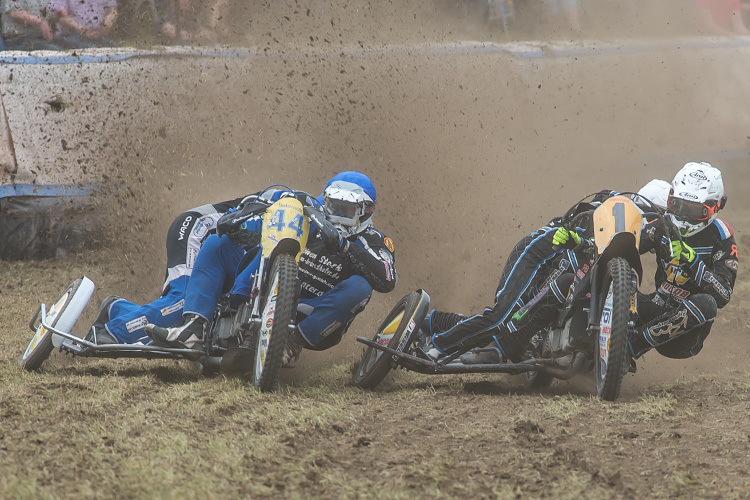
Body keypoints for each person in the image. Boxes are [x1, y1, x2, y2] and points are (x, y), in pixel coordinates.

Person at [145, 171, 397, 365]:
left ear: (365, 212)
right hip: (267, 282)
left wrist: (344, 247)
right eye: (333, 206)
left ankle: (290, 344)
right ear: (326, 199)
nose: (337, 214)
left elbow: (387, 279)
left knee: (361, 287)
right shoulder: (308, 211)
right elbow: (262, 225)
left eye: (347, 210)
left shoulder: (376, 241)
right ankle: (194, 329)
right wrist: (238, 222)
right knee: (218, 243)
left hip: (313, 312)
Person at [425, 191, 617, 363]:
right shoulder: (591, 215)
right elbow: (569, 230)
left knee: (509, 323)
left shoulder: (613, 249)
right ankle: (437, 347)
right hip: (535, 254)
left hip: (549, 270)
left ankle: (432, 322)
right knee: (502, 319)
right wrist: (583, 242)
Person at [86, 196, 245, 345]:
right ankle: (110, 333)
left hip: (222, 245)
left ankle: (117, 309)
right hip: (197, 229)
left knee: (183, 324)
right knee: (184, 302)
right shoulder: (270, 196)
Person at [629, 162, 738, 359]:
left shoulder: (721, 236)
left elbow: (723, 295)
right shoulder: (665, 224)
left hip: (684, 333)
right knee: (621, 278)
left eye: (695, 211)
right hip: (655, 305)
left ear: (715, 206)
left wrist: (693, 261)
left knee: (707, 304)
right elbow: (627, 245)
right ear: (670, 199)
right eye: (679, 206)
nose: (685, 216)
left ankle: (633, 345)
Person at [49, 0, 118, 48]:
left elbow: (113, 9)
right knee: (93, 50)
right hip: (71, 37)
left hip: (98, 36)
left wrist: (109, 20)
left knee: (117, 49)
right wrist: (83, 31)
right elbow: (59, 17)